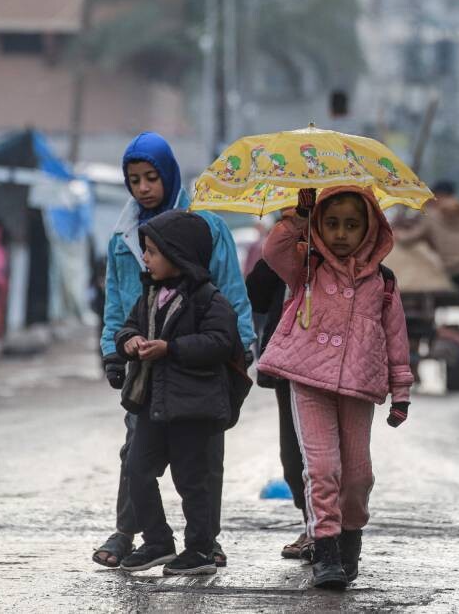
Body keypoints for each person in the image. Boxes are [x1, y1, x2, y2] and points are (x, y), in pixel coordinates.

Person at [92, 132, 256, 570]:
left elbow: (231, 291)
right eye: (134, 180)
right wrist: (115, 349)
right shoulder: (122, 236)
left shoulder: (205, 226)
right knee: (136, 451)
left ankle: (204, 541)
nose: (143, 188)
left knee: (202, 458)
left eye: (151, 177)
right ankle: (132, 532)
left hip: (200, 364)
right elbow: (117, 301)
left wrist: (240, 346)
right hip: (145, 365)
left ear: (169, 173)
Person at [258, 186, 413, 590]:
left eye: (351, 225)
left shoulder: (383, 283)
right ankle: (325, 552)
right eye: (332, 223)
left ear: (369, 229)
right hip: (308, 382)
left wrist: (401, 392)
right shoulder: (306, 267)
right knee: (322, 470)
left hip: (358, 387)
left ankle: (350, 540)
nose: (341, 233)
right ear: (320, 226)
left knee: (358, 476)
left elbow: (396, 339)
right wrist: (300, 217)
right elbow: (273, 250)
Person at [116, 211, 246, 576]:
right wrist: (130, 342)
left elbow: (220, 342)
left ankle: (200, 549)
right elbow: (127, 327)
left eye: (152, 251)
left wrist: (171, 349)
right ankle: (157, 540)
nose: (145, 258)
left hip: (193, 406)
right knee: (137, 469)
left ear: (179, 254)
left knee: (192, 480)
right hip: (152, 403)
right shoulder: (149, 295)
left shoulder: (209, 300)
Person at [245, 250, 309, 560]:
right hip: (286, 364)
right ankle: (314, 525)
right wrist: (279, 249)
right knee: (293, 457)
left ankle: (334, 535)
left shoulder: (349, 252)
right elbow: (256, 296)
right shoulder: (285, 252)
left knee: (330, 459)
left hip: (335, 366)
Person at [395, 180, 459, 363]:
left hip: (458, 274)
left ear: (438, 195)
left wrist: (396, 234)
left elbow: (410, 239)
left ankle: (423, 341)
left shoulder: (431, 217)